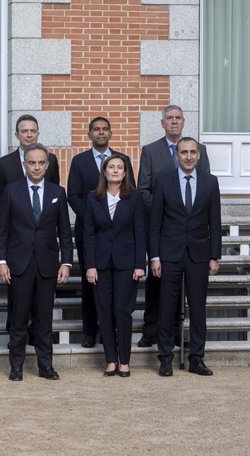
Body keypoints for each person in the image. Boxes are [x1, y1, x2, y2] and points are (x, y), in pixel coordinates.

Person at [0, 143, 72, 381]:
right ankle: (16, 366)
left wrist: (66, 262)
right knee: (18, 319)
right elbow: (2, 230)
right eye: (32, 162)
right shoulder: (11, 191)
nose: (36, 167)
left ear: (47, 166)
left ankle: (45, 365)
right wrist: (1, 261)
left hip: (47, 265)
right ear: (24, 164)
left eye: (41, 163)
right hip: (18, 264)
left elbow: (65, 232)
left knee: (44, 320)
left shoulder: (57, 193)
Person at [137, 105, 211, 348]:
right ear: (162, 123)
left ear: (184, 121)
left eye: (178, 118)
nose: (174, 122)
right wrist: (163, 210)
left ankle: (177, 333)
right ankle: (150, 330)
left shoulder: (199, 151)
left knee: (182, 288)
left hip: (190, 233)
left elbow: (204, 189)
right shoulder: (150, 151)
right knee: (157, 283)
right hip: (161, 228)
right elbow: (143, 190)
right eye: (169, 118)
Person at [150, 137, 221, 377]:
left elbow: (215, 221)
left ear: (199, 155)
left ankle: (197, 358)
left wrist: (215, 256)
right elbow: (155, 222)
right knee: (167, 307)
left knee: (198, 308)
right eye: (184, 152)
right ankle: (165, 358)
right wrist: (155, 257)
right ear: (176, 155)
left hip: (199, 254)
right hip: (169, 253)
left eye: (193, 152)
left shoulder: (211, 183)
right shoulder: (164, 182)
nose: (188, 156)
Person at [67, 117, 135, 348]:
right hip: (91, 232)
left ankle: (114, 333)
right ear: (89, 134)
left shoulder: (123, 160)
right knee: (91, 283)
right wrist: (93, 215)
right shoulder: (79, 161)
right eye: (96, 129)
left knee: (116, 292)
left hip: (120, 236)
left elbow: (131, 192)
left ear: (111, 133)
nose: (101, 133)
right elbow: (73, 195)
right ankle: (89, 331)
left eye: (105, 129)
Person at [84, 155, 146, 377]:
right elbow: (88, 234)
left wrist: (141, 264)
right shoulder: (93, 198)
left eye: (120, 167)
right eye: (112, 167)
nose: (116, 170)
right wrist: (90, 266)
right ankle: (111, 359)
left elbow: (140, 231)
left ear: (125, 172)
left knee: (122, 310)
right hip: (100, 264)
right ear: (104, 171)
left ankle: (125, 361)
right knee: (105, 311)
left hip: (127, 263)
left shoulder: (134, 197)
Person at [0, 114, 60, 203]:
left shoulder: (51, 160)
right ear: (17, 135)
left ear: (38, 134)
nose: (29, 135)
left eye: (33, 131)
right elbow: (1, 199)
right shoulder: (4, 163)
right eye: (24, 131)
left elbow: (54, 192)